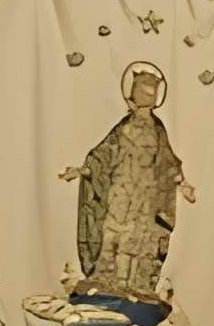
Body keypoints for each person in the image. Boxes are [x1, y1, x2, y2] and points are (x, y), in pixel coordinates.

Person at [59, 62, 194, 299]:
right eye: (143, 88)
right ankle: (109, 288)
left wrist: (182, 184)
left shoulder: (158, 129)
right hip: (121, 199)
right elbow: (102, 156)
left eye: (152, 89)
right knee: (115, 241)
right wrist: (83, 170)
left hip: (147, 202)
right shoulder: (123, 129)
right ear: (131, 93)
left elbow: (168, 162)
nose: (148, 94)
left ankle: (138, 290)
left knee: (143, 245)